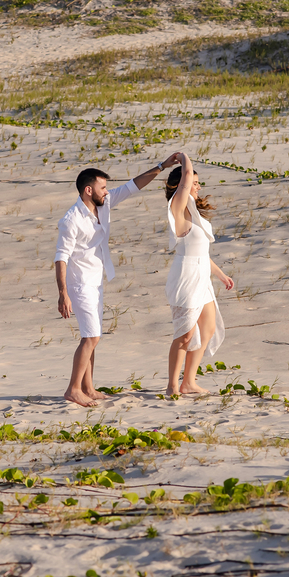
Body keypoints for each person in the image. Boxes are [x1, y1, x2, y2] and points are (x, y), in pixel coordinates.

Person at [56, 156, 179, 407]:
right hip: (79, 283)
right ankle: (73, 389)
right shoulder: (71, 220)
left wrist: (162, 167)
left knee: (94, 335)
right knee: (91, 337)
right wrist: (63, 294)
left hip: (96, 279)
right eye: (102, 187)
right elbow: (61, 258)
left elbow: (133, 186)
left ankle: (88, 387)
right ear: (88, 190)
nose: (107, 191)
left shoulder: (103, 204)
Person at [164, 152, 234, 396]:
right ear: (181, 186)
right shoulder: (177, 209)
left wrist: (221, 275)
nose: (198, 186)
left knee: (208, 328)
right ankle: (173, 385)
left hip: (202, 274)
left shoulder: (194, 214)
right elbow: (184, 180)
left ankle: (189, 382)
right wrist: (184, 158)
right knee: (185, 334)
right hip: (186, 277)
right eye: (194, 182)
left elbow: (201, 252)